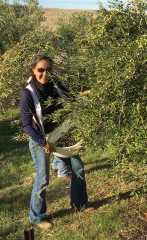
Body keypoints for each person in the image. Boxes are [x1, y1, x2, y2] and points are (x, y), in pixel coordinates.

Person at [21, 53, 95, 230]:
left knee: (78, 167)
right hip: (41, 139)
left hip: (61, 134)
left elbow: (70, 99)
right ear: (33, 70)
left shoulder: (55, 84)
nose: (44, 74)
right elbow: (26, 125)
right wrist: (44, 143)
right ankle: (37, 217)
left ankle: (80, 204)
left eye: (48, 70)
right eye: (40, 70)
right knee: (43, 179)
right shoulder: (28, 93)